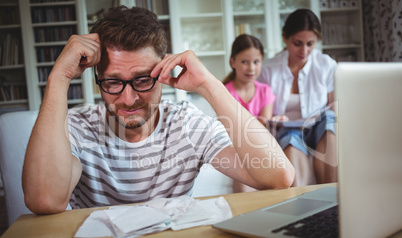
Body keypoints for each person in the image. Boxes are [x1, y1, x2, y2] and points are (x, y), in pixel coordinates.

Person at [22, 6, 295, 214]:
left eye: (142, 80)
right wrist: (59, 76)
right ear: (98, 80)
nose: (129, 99)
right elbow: (44, 199)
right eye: (113, 82)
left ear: (162, 71)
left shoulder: (186, 124)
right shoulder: (78, 127)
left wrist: (209, 85)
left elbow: (279, 177)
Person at [258, 8, 337, 187]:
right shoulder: (269, 70)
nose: (304, 50)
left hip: (318, 128)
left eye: (310, 43)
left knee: (331, 119)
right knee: (292, 139)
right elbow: (260, 111)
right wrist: (271, 119)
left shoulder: (326, 65)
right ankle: (301, 208)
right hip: (287, 129)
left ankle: (332, 200)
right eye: (297, 43)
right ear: (285, 38)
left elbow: (334, 104)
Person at [222, 34, 276, 193]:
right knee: (242, 160)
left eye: (256, 62)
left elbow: (264, 128)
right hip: (237, 144)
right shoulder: (225, 91)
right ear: (233, 62)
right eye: (244, 62)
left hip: (259, 143)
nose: (251, 68)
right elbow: (229, 128)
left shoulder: (265, 91)